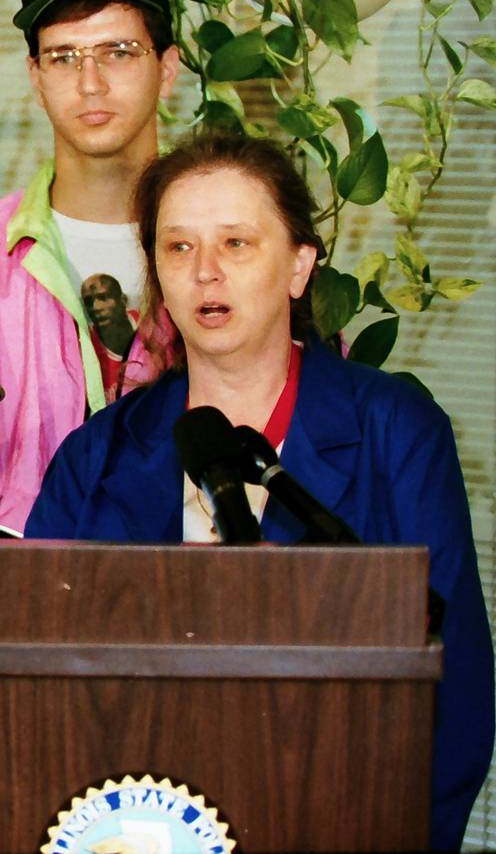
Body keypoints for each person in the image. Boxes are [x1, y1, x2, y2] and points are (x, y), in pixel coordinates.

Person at [25, 132, 494, 850]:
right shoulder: (98, 453)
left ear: (300, 266)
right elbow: (29, 683)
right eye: (178, 248)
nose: (205, 273)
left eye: (237, 244)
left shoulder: (394, 429)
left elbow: (454, 687)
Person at [0, 0, 180, 537]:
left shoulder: (229, 251)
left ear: (167, 69)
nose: (90, 83)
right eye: (64, 57)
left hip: (190, 609)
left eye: (118, 51)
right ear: (36, 77)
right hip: (11, 611)